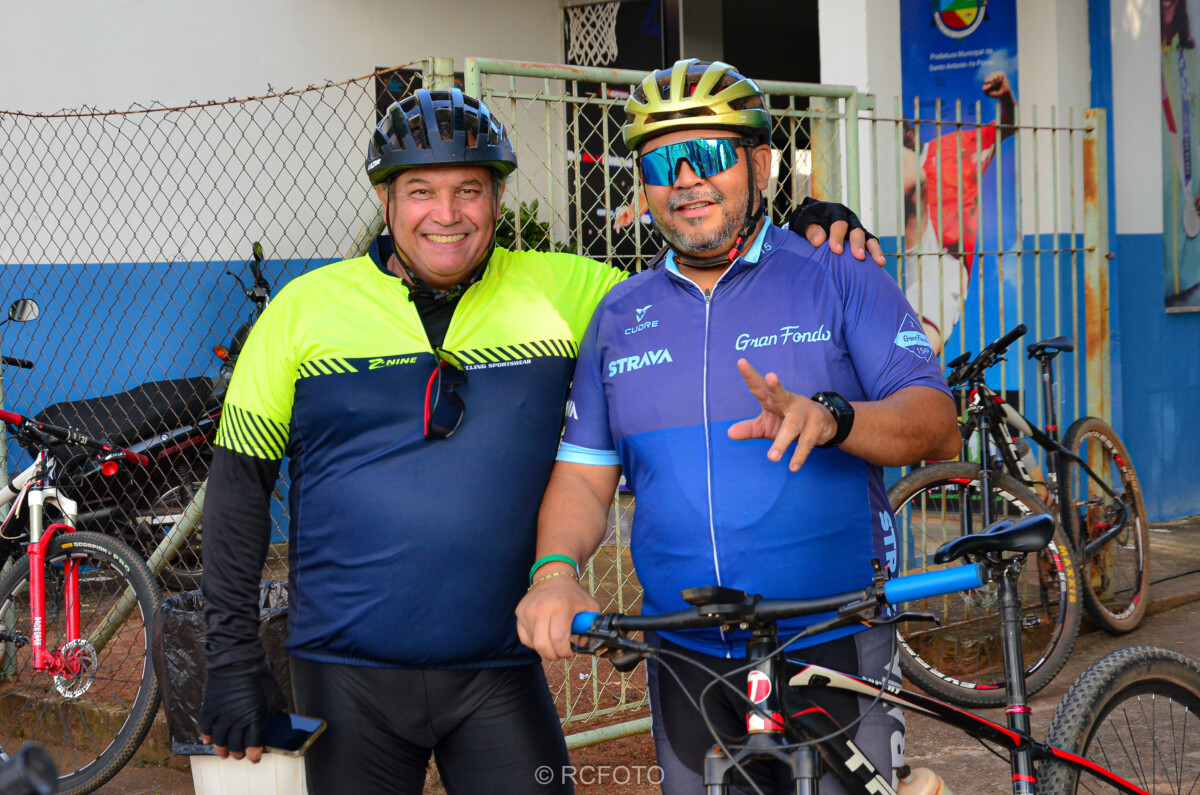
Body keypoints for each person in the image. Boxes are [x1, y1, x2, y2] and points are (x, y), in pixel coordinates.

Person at [196, 86, 879, 794]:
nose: (447, 214)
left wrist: (798, 234)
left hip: (498, 671)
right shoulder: (300, 311)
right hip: (343, 674)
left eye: (469, 190)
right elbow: (237, 497)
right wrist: (231, 658)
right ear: (386, 201)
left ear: (497, 199)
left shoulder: (566, 289)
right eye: (421, 191)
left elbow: (689, 296)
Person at [516, 59, 961, 794]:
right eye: (662, 163)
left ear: (759, 164)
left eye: (709, 154)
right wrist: (556, 573)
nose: (687, 179)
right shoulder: (620, 315)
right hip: (684, 653)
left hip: (832, 632)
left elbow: (938, 424)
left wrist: (834, 418)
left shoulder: (839, 273)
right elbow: (584, 479)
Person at [902, 70, 1017, 355]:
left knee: (921, 348)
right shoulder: (894, 166)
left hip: (947, 254)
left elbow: (1007, 125)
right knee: (904, 337)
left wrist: (1005, 97)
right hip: (909, 248)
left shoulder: (955, 148)